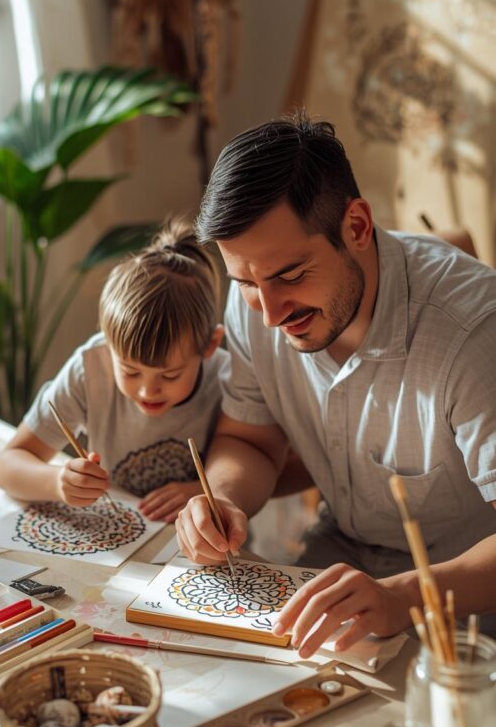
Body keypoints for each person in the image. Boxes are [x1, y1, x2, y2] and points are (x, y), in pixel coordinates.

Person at [175, 112, 496, 654]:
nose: (271, 315)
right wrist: (224, 498)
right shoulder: (255, 301)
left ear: (358, 227)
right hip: (338, 559)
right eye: (247, 282)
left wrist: (400, 598)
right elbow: (250, 440)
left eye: (291, 276)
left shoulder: (473, 332)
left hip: (467, 597)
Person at [0, 220, 228, 523]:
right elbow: (8, 465)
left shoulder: (227, 377)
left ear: (209, 346)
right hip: (120, 536)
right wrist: (57, 482)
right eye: (130, 371)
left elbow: (260, 463)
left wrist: (207, 490)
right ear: (108, 344)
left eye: (169, 375)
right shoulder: (91, 367)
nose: (147, 391)